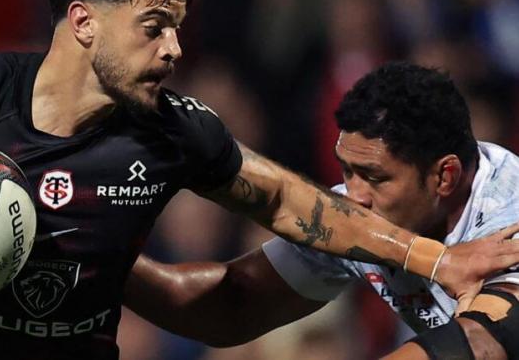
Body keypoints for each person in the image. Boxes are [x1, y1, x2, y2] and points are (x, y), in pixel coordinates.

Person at [0, 0, 516, 360]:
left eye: (178, 26)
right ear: (84, 22)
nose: (176, 48)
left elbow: (287, 202)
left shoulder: (170, 129)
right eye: (155, 27)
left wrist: (429, 259)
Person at [125, 62, 519, 360]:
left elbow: (477, 345)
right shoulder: (362, 212)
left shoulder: (508, 215)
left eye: (375, 177)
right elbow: (236, 304)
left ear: (444, 177)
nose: (354, 197)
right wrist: (101, 261)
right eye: (347, 171)